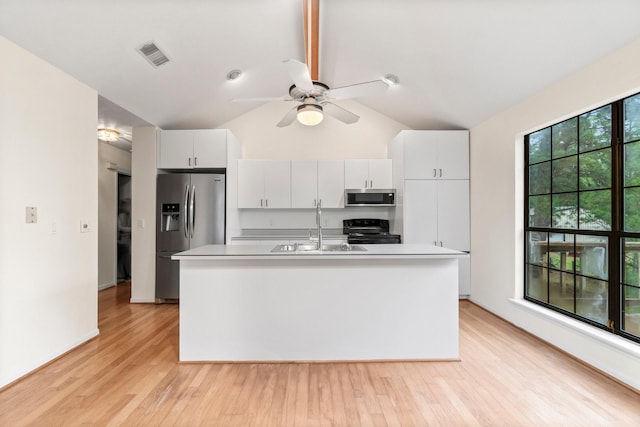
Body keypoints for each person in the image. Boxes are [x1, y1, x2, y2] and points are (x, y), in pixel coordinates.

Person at [117, 199, 131, 281]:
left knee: (124, 256)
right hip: (119, 241)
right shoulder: (118, 215)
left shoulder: (128, 216)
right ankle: (126, 275)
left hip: (123, 240)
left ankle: (126, 275)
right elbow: (120, 228)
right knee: (124, 254)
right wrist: (134, 229)